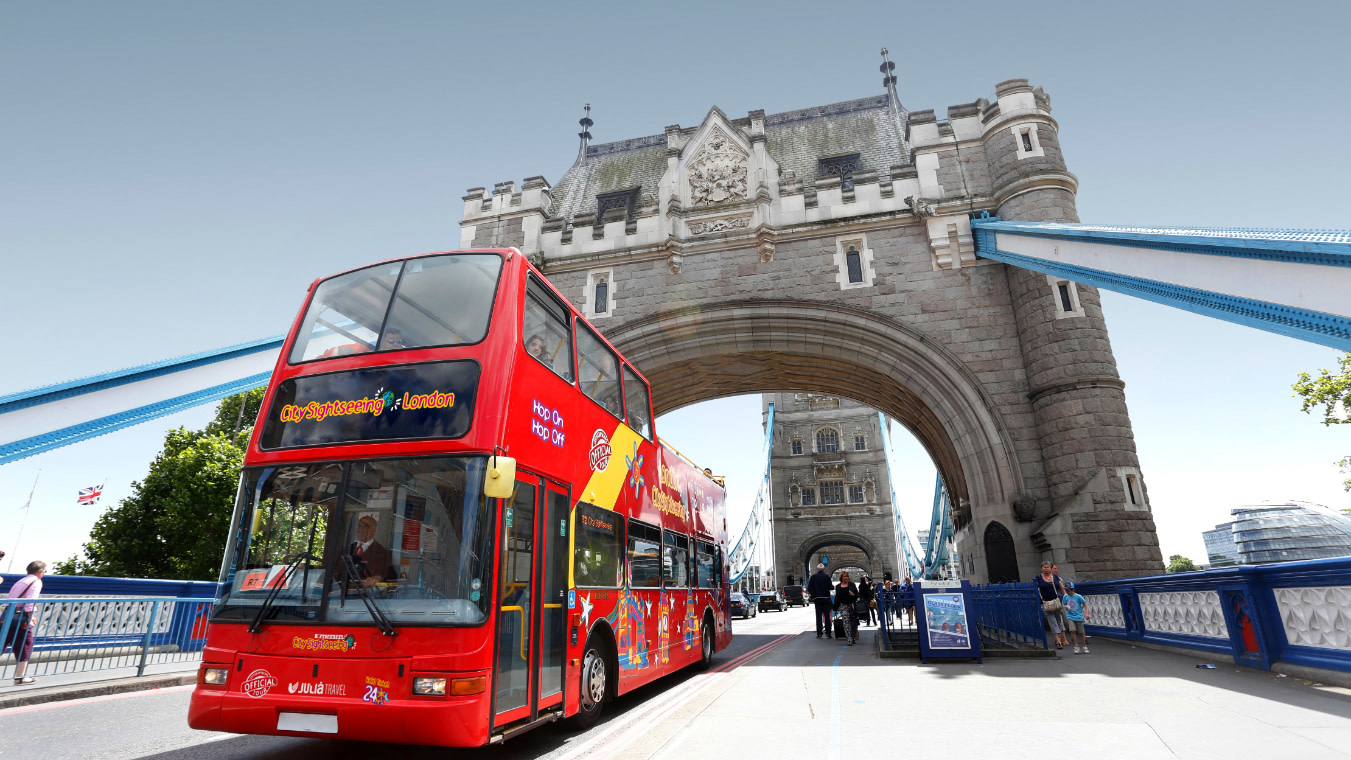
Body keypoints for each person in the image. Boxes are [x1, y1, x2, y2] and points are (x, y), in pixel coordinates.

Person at [5, 561, 46, 685]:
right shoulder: (36, 581)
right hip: (20, 617)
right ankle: (20, 677)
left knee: (2, 642)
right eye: (44, 571)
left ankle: (20, 677)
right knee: (25, 645)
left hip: (7, 615)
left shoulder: (21, 581)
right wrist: (30, 616)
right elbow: (30, 600)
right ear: (40, 571)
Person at [349, 515, 393, 585]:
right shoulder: (348, 549)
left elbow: (389, 577)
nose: (361, 529)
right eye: (359, 526)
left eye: (366, 526)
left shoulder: (381, 552)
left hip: (367, 594)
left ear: (374, 529)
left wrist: (377, 578)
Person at [1035, 560, 1069, 650]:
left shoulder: (1056, 578)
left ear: (1050, 568)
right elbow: (1035, 589)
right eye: (1044, 567)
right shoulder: (1038, 578)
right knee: (1052, 621)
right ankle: (1058, 641)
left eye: (1048, 567)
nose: (1046, 569)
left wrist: (1067, 599)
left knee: (1059, 620)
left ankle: (1060, 638)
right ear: (1041, 568)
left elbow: (1062, 588)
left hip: (1056, 602)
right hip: (1045, 603)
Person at [806, 563, 834, 639]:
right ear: (824, 569)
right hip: (826, 598)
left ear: (817, 569)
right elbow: (831, 587)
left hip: (817, 599)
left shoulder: (813, 577)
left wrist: (813, 594)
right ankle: (828, 633)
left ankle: (819, 633)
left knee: (818, 616)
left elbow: (809, 588)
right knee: (827, 616)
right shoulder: (827, 577)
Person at [1062, 580, 1090, 654]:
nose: (1067, 592)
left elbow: (1085, 604)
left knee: (1081, 632)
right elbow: (1064, 604)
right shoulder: (1065, 596)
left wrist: (1086, 613)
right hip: (1070, 615)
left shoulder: (1078, 596)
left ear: (1073, 589)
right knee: (1072, 630)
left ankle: (1084, 646)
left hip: (1078, 616)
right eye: (1066, 590)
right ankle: (1076, 645)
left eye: (1068, 590)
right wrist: (1066, 607)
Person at [834, 572, 860, 645]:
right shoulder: (838, 586)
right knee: (846, 622)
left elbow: (857, 595)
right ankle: (849, 639)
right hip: (843, 606)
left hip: (851, 605)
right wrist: (835, 608)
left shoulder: (852, 585)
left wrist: (853, 594)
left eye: (847, 576)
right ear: (841, 578)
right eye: (844, 576)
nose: (846, 578)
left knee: (853, 623)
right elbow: (837, 598)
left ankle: (853, 637)